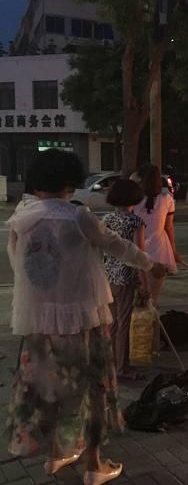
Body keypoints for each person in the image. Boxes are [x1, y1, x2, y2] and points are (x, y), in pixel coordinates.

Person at [5, 149, 165, 485]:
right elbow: (117, 245)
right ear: (69, 182)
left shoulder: (21, 218)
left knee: (48, 389)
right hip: (82, 318)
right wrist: (151, 264)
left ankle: (55, 455)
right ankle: (94, 465)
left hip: (38, 321)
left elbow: (18, 264)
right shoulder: (78, 216)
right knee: (93, 389)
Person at [104, 179, 148, 381]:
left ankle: (111, 364)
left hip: (108, 275)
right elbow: (139, 255)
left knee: (112, 324)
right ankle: (123, 367)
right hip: (126, 276)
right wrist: (144, 284)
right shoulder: (135, 222)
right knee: (124, 324)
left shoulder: (107, 219)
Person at [134, 165, 182, 305]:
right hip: (160, 252)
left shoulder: (134, 200)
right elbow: (169, 227)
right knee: (153, 300)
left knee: (138, 300)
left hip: (137, 251)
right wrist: (173, 251)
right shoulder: (167, 199)